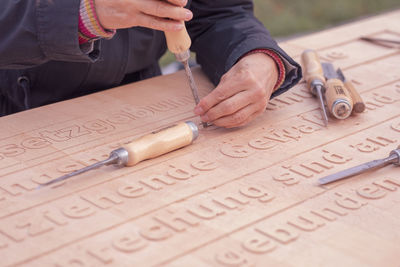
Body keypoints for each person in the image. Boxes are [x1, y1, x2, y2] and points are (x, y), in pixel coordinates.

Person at [0, 0, 301, 128]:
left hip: (136, 109)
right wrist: (83, 14)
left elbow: (219, 13)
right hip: (16, 114)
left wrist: (256, 57)